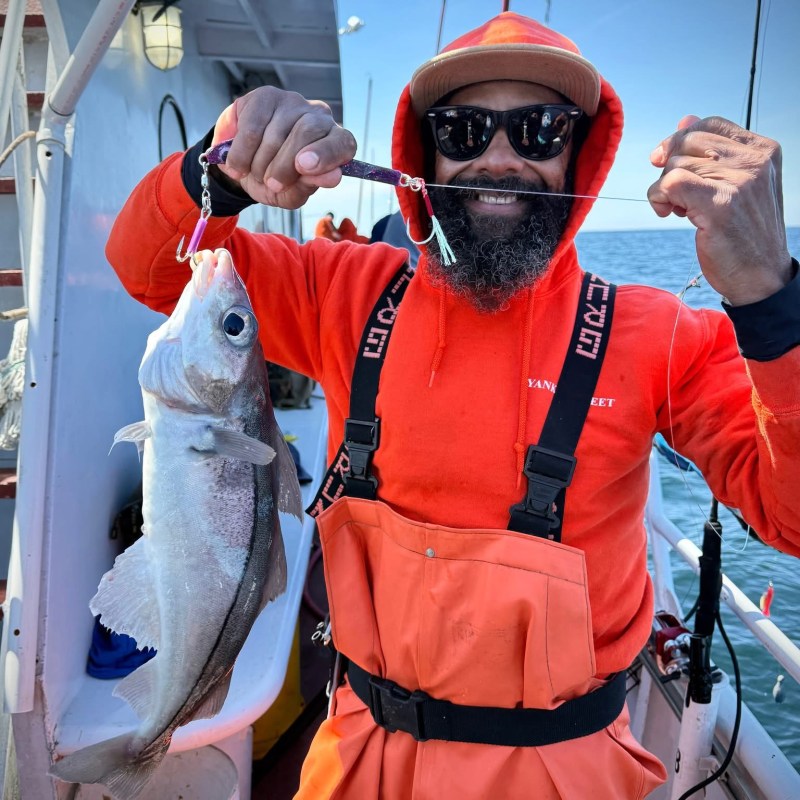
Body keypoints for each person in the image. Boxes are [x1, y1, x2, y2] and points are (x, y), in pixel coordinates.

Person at [106, 11, 800, 800]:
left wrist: (768, 294)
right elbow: (149, 270)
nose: (498, 160)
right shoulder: (344, 289)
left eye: (538, 130)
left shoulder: (662, 334)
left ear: (581, 149)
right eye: (464, 129)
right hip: (357, 754)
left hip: (567, 771)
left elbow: (791, 518)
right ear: (423, 152)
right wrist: (219, 172)